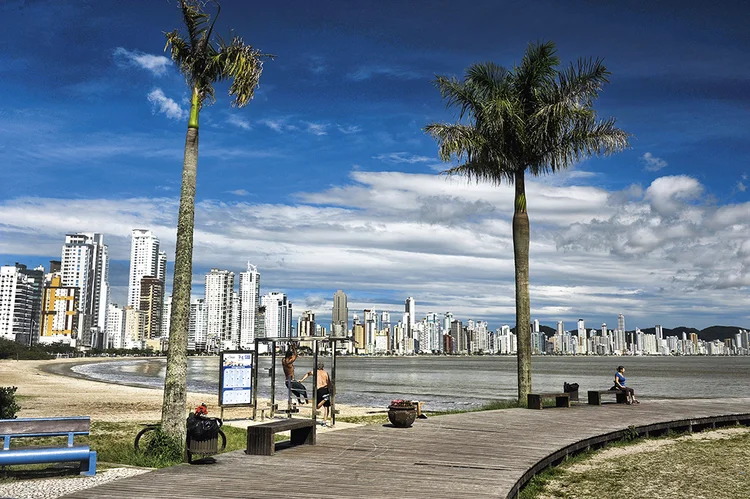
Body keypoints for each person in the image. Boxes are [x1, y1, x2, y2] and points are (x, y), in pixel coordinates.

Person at [300, 361, 333, 427]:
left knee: (317, 406)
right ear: (323, 367)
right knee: (326, 407)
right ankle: (324, 421)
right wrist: (331, 390)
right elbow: (329, 383)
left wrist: (302, 380)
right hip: (325, 389)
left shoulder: (315, 372)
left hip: (319, 390)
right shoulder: (326, 373)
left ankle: (325, 399)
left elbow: (308, 374)